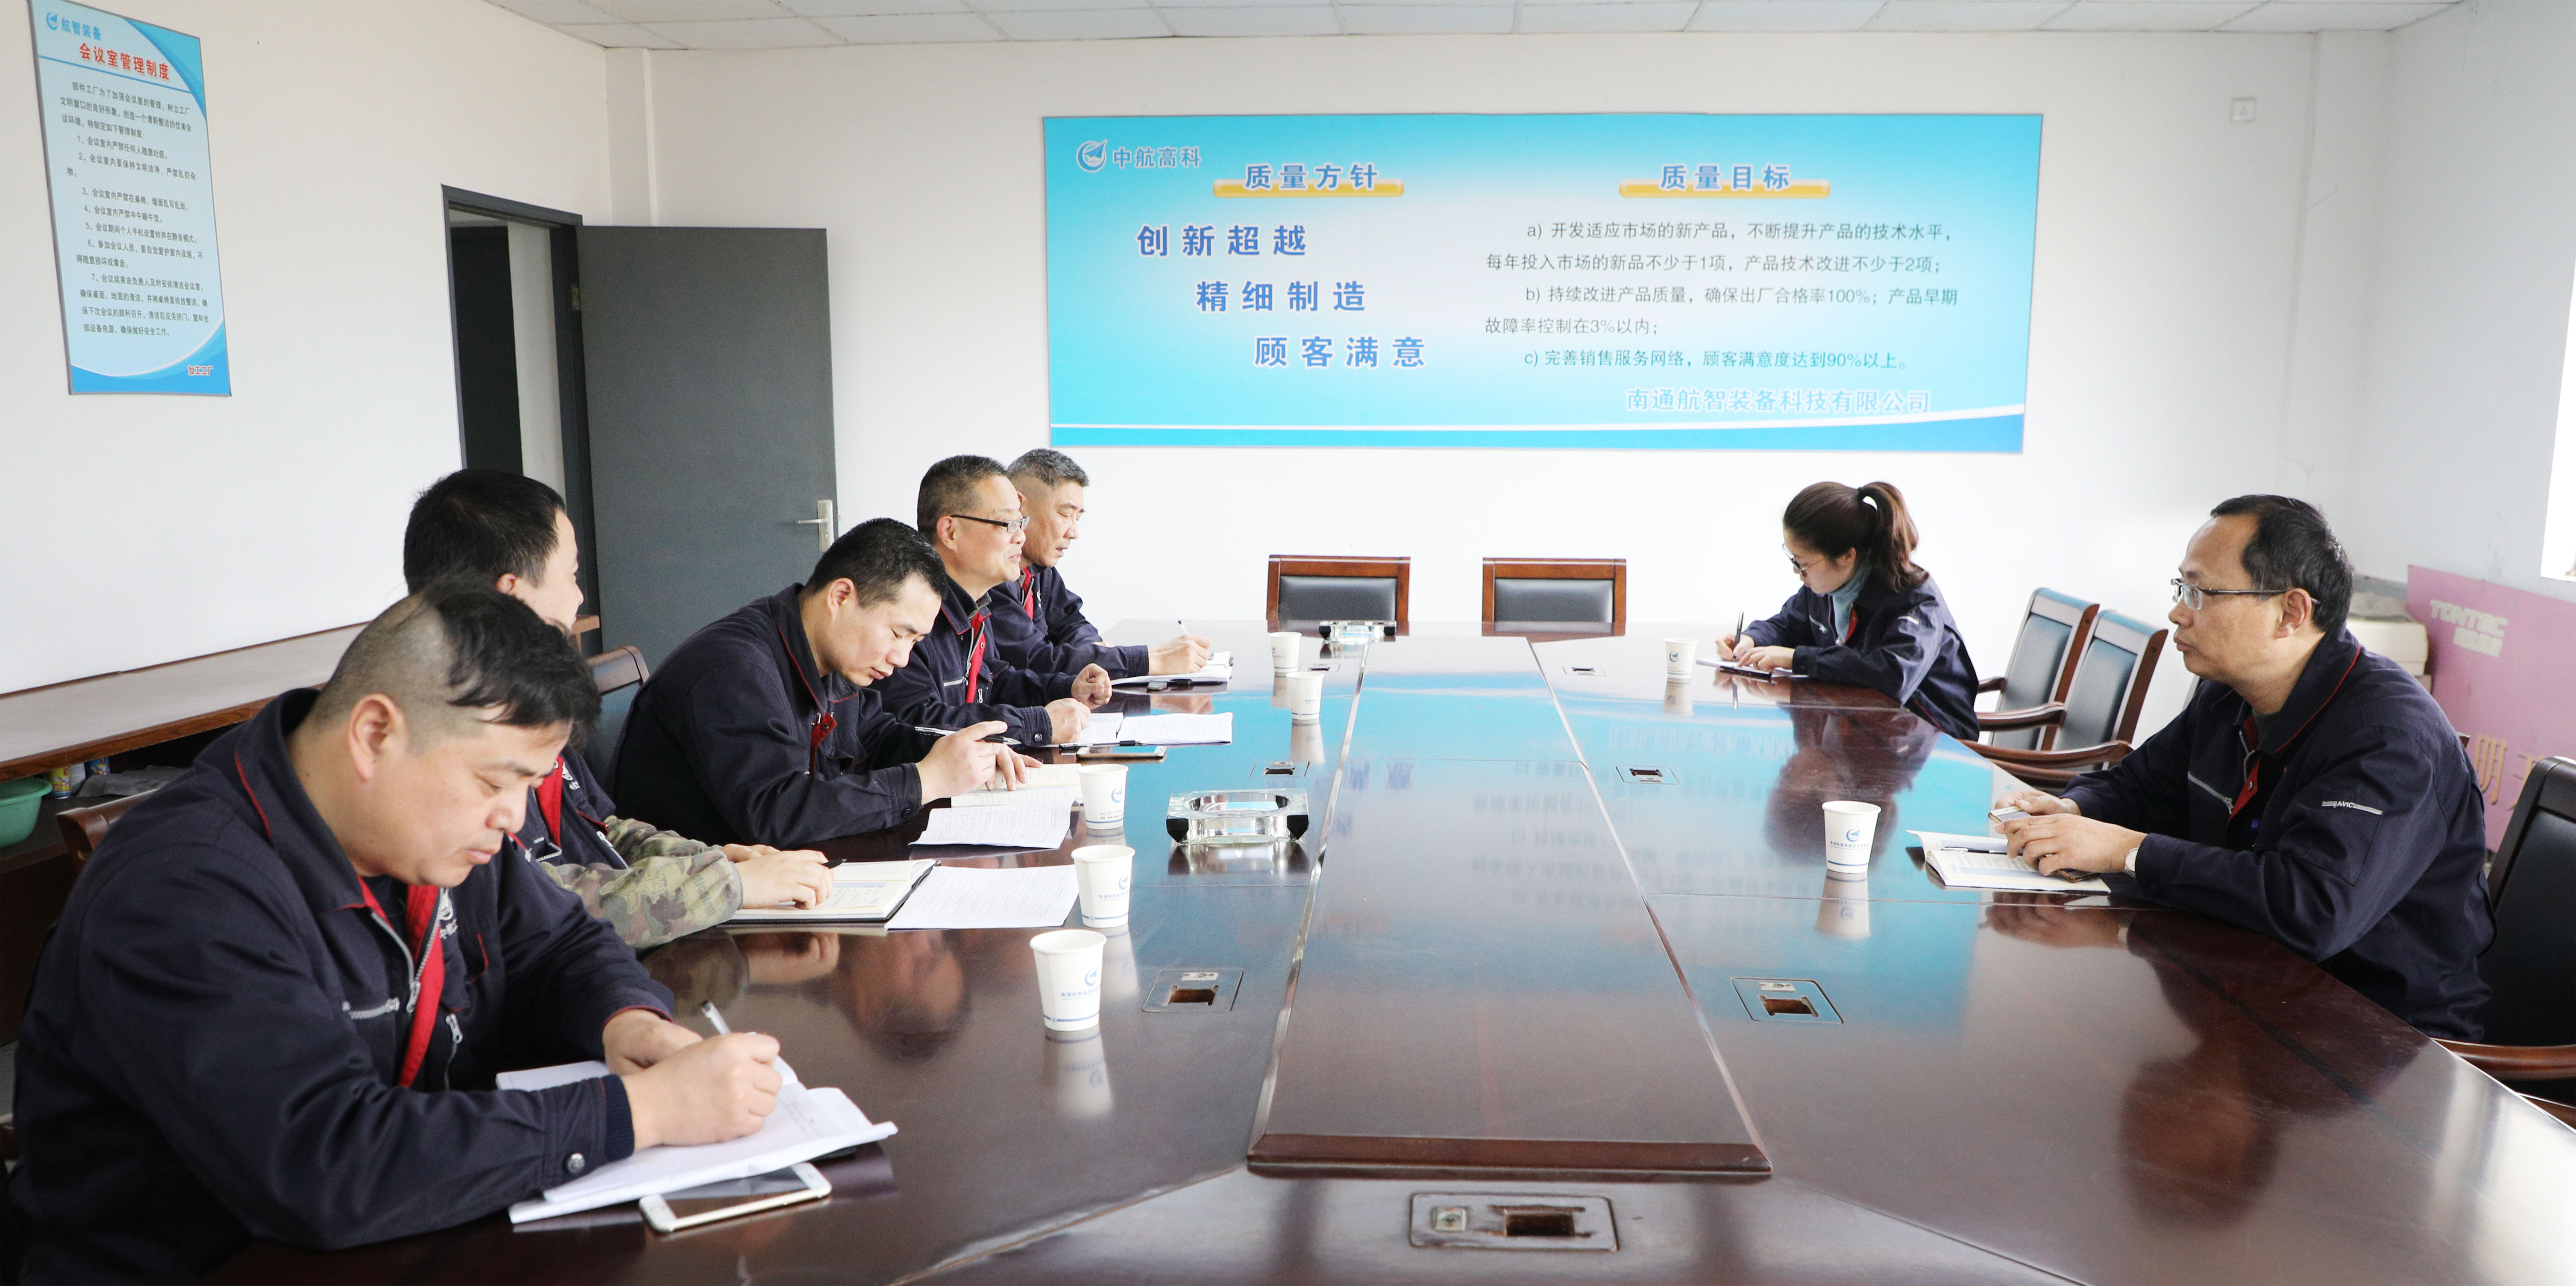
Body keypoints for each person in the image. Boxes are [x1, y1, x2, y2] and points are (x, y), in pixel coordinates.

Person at [7, 584, 784, 1283]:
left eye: (530, 785)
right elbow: (323, 1162)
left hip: (416, 1231)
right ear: (375, 733)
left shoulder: (429, 835)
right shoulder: (185, 892)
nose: (513, 817)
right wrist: (640, 1113)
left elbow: (559, 944)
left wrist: (626, 1021)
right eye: (495, 781)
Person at [1999, 495, 2492, 1038]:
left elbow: (2313, 907)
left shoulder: (2388, 737)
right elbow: (2142, 786)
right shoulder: (2230, 694)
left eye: (2201, 593)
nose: (2178, 612)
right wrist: (2072, 811)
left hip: (2378, 1036)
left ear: (2291, 613)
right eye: (2181, 588)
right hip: (2244, 983)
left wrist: (2127, 851)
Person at [404, 470, 832, 947]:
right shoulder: (442, 735)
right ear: (513, 593)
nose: (580, 597)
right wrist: (725, 885)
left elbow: (603, 832)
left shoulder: (529, 697)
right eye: (571, 575)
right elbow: (532, 903)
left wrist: (706, 862)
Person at [613, 517, 1036, 848]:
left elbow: (878, 737)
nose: (902, 658)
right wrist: (925, 781)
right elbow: (776, 814)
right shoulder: (735, 671)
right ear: (841, 597)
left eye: (915, 641)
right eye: (897, 634)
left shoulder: (831, 658)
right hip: (706, 900)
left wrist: (961, 753)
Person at [1721, 481, 1980, 740]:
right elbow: (1788, 625)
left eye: (1802, 565)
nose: (1797, 573)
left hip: (1933, 740)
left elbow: (1891, 675)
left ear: (1847, 556)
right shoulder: (1824, 588)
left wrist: (1797, 659)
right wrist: (1751, 639)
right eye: (1794, 561)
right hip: (1861, 730)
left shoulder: (1916, 599)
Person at [877, 455, 1108, 747]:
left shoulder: (975, 606)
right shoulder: (909, 612)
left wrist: (1067, 688)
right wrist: (1036, 724)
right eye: (1008, 524)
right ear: (950, 532)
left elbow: (995, 686)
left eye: (1021, 523)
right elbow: (917, 722)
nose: (1021, 537)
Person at [997, 448, 1209, 678]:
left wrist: (1097, 654)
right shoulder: (991, 575)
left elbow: (1072, 624)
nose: (1074, 532)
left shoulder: (1040, 571)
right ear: (1019, 505)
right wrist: (1150, 661)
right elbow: (1035, 661)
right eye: (1065, 515)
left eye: (1078, 518)